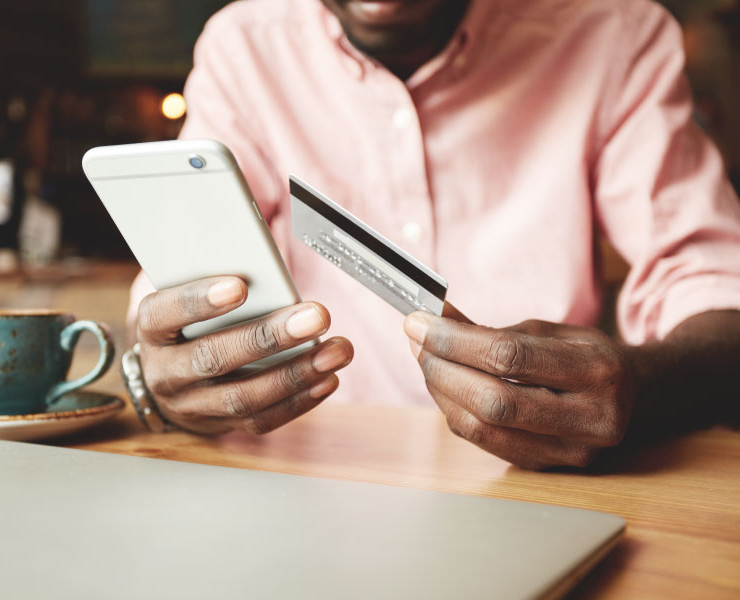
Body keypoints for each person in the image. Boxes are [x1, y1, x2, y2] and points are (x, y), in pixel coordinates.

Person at [126, 0, 740, 469]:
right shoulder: (246, 47)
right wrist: (171, 370)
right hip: (313, 475)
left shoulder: (615, 34)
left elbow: (712, 280)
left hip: (542, 489)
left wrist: (646, 387)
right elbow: (186, 284)